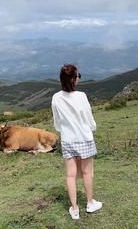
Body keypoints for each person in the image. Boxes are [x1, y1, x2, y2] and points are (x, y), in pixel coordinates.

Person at [51, 64, 102, 220]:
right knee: (87, 172)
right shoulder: (81, 96)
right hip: (84, 138)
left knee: (70, 175)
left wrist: (65, 129)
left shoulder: (56, 97)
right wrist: (93, 127)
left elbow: (57, 123)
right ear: (74, 79)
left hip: (68, 139)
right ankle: (90, 203)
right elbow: (89, 119)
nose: (79, 78)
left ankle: (74, 209)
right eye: (78, 75)